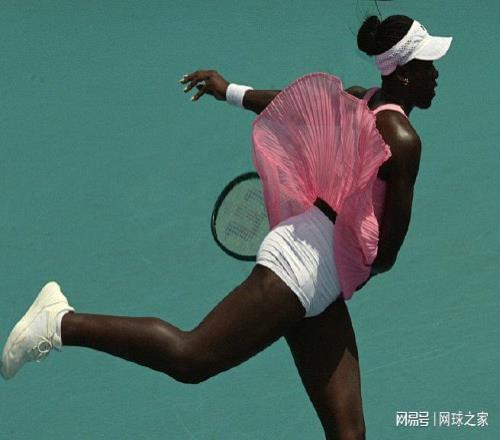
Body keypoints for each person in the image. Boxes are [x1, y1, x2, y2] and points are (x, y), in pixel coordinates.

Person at [1, 15, 452, 440]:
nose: (436, 75)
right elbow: (387, 254)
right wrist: (359, 259)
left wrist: (229, 90)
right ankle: (61, 322)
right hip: (304, 267)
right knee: (191, 357)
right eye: (427, 65)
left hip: (321, 275)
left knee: (348, 433)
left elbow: (290, 106)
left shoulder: (359, 100)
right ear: (402, 74)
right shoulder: (403, 140)